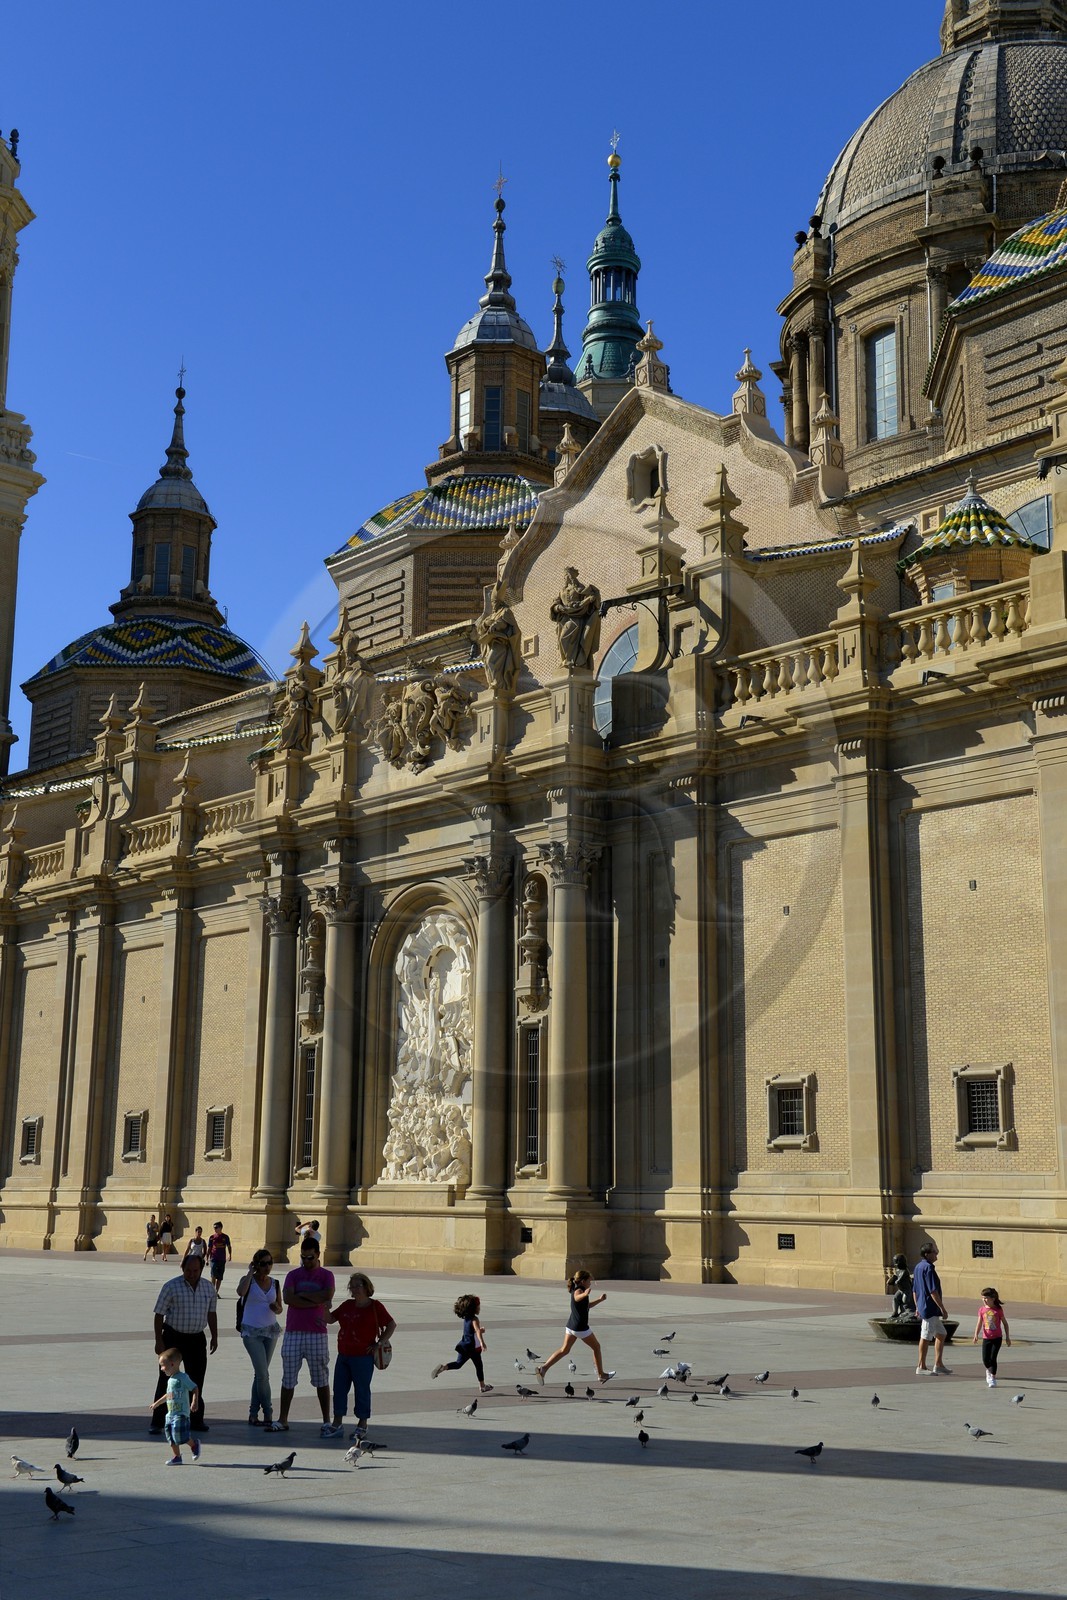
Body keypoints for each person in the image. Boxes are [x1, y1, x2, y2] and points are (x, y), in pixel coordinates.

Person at [267, 1235, 335, 1432]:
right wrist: (314, 1300)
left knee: (321, 1377)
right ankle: (283, 1419)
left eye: (310, 1258)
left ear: (318, 1255)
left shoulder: (326, 1275)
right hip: (293, 1332)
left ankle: (326, 1420)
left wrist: (301, 1296)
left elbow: (327, 1295)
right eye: (303, 1258)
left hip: (317, 1332)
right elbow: (289, 1299)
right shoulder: (293, 1275)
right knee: (288, 1377)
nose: (306, 1262)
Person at [150, 1253, 218, 1434]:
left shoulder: (208, 1288)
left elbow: (212, 1313)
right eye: (188, 1270)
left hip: (196, 1338)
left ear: (201, 1269)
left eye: (196, 1270)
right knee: (167, 1379)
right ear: (182, 1269)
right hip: (174, 1338)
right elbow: (158, 1314)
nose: (192, 1274)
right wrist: (159, 1341)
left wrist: (215, 1336)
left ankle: (196, 1419)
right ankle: (157, 1421)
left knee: (196, 1380)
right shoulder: (171, 1286)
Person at [323, 1272, 397, 1440]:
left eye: (358, 1286)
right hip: (344, 1355)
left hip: (363, 1357)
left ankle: (362, 1424)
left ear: (366, 1287)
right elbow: (330, 1319)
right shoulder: (347, 1305)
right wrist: (324, 1307)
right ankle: (337, 1423)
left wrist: (380, 1343)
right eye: (352, 1286)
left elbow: (391, 1325)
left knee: (362, 1390)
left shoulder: (375, 1306)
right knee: (339, 1389)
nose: (354, 1289)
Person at [535, 1271, 615, 1385]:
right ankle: (601, 1375)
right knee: (596, 1347)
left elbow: (586, 1306)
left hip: (571, 1326)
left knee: (564, 1350)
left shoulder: (577, 1288)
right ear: (583, 1281)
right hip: (580, 1328)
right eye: (589, 1281)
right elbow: (577, 1298)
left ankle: (543, 1369)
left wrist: (599, 1300)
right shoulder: (579, 1291)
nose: (590, 1283)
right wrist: (585, 1294)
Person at [236, 1249, 283, 1425]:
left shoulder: (275, 1283)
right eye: (263, 1263)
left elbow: (280, 1307)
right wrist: (250, 1272)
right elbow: (240, 1292)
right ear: (256, 1264)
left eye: (270, 1263)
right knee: (263, 1375)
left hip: (270, 1331)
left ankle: (253, 1414)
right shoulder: (248, 1281)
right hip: (251, 1332)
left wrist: (276, 1309)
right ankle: (268, 1413)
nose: (267, 1267)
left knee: (260, 1374)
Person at [431, 1293, 493, 1395]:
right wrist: (482, 1342)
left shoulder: (466, 1319)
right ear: (473, 1308)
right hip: (473, 1348)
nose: (479, 1308)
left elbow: (471, 1332)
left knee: (459, 1364)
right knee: (479, 1366)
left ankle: (443, 1368)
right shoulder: (474, 1319)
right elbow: (476, 1330)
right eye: (478, 1306)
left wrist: (480, 1331)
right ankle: (482, 1386)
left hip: (464, 1346)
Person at [149, 1347, 201, 1464]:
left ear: (172, 1364)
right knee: (171, 1437)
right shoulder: (170, 1380)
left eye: (163, 1366)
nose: (162, 1369)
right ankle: (177, 1457)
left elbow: (194, 1388)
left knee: (180, 1434)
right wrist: (156, 1404)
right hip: (170, 1414)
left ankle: (194, 1445)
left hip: (181, 1413)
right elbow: (168, 1395)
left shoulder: (183, 1378)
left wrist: (195, 1401)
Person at [913, 1241, 951, 1375]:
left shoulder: (918, 1267)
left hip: (924, 1306)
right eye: (935, 1252)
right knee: (925, 1336)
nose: (937, 1254)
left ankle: (938, 1364)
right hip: (930, 1308)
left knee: (941, 1333)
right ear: (927, 1254)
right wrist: (942, 1308)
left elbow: (915, 1290)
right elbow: (932, 1291)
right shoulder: (928, 1268)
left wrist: (917, 1306)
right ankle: (921, 1366)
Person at [973, 1286, 1011, 1387]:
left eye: (986, 1298)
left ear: (993, 1298)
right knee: (985, 1359)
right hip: (986, 1338)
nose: (984, 1300)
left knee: (993, 1358)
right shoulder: (981, 1310)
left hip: (997, 1338)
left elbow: (1005, 1323)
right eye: (982, 1298)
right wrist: (976, 1334)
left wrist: (1007, 1337)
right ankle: (988, 1370)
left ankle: (993, 1377)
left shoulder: (998, 1309)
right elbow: (979, 1323)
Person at [207, 1221, 232, 1295]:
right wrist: (207, 1258)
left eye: (216, 1227)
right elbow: (209, 1248)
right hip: (213, 1258)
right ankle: (212, 1290)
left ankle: (216, 1292)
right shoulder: (212, 1237)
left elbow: (229, 1246)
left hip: (222, 1259)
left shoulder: (225, 1237)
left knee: (220, 1277)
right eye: (214, 1228)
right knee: (213, 1275)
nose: (215, 1229)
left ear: (221, 1228)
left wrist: (230, 1255)